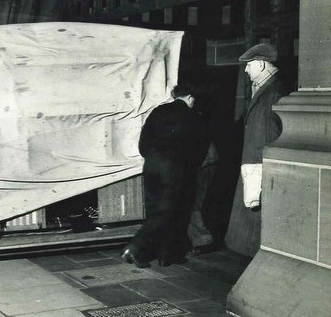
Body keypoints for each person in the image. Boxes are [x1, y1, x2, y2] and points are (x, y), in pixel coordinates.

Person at [122, 84, 210, 268]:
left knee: (156, 211)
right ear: (190, 97)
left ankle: (166, 255)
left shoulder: (158, 111)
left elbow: (143, 145)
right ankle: (135, 248)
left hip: (152, 167)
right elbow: (199, 151)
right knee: (172, 213)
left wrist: (155, 158)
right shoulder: (194, 117)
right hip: (176, 171)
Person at [224, 43, 284, 257]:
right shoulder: (266, 89)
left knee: (257, 218)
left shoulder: (276, 91)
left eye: (249, 66)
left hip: (262, 165)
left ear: (260, 64)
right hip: (254, 164)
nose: (246, 70)